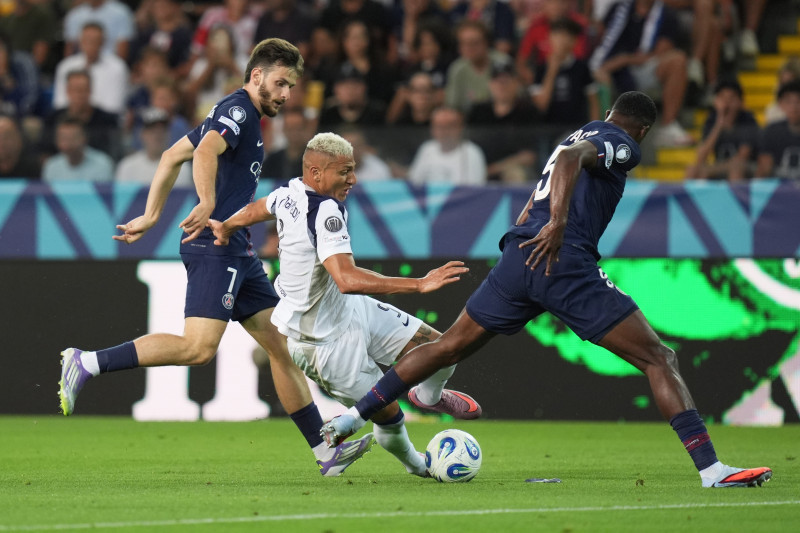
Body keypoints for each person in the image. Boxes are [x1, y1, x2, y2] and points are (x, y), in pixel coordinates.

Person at [321, 91, 774, 489]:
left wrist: (529, 228)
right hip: (563, 261)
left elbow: (558, 166)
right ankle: (710, 469)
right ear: (643, 129)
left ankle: (350, 417)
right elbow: (574, 159)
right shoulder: (621, 142)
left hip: (520, 258)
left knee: (450, 346)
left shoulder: (573, 133)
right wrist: (557, 224)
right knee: (659, 358)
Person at [57, 38, 375, 478]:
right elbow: (205, 152)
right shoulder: (239, 111)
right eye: (280, 83)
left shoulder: (240, 115)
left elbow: (173, 155)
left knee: (281, 348)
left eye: (291, 87)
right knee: (198, 348)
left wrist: (151, 216)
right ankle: (87, 361)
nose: (286, 94)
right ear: (257, 75)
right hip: (215, 245)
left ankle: (325, 452)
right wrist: (206, 201)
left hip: (238, 250)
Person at [206, 132, 482, 476]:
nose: (352, 179)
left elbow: (258, 208)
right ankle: (419, 466)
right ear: (317, 173)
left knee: (441, 348)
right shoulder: (324, 211)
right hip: (322, 344)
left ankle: (428, 396)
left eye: (352, 170)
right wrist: (420, 283)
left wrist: (228, 226)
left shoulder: (289, 192)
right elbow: (347, 279)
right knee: (389, 416)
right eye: (344, 172)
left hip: (349, 311)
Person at [589, 0, 693, 148]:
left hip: (640, 68)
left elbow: (658, 53)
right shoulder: (619, 8)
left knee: (678, 60)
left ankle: (668, 126)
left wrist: (624, 60)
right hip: (609, 68)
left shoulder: (667, 14)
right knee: (595, 78)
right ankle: (598, 136)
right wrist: (603, 66)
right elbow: (602, 40)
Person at [686, 79, 759, 182]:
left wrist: (710, 170)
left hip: (747, 168)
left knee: (736, 168)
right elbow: (701, 157)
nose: (727, 103)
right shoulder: (712, 120)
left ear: (740, 102)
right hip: (721, 167)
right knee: (692, 170)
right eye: (722, 98)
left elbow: (742, 157)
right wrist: (718, 124)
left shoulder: (748, 120)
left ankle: (736, 198)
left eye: (731, 98)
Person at [53, 22, 130, 116]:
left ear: (103, 42)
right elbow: (60, 103)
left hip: (104, 121)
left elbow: (114, 107)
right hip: (70, 120)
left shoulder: (117, 67)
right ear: (80, 41)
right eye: (87, 40)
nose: (90, 44)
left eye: (95, 40)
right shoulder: (65, 66)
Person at [407, 106, 487, 185]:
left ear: (461, 128)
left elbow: (474, 191)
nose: (444, 131)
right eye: (439, 127)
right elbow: (414, 183)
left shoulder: (472, 152)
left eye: (449, 126)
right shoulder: (426, 148)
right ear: (432, 129)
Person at [115, 107, 192, 186]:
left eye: (162, 131)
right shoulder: (127, 167)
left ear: (168, 134)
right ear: (142, 134)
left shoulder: (181, 169)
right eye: (152, 131)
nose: (157, 135)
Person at [42, 117, 115, 182]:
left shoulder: (103, 163)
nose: (67, 143)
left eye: (72, 138)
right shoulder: (51, 166)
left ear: (84, 138)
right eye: (63, 138)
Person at [756, 80, 800, 181]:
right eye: (788, 102)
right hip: (779, 190)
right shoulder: (772, 131)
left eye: (798, 101)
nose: (794, 107)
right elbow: (764, 168)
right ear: (781, 105)